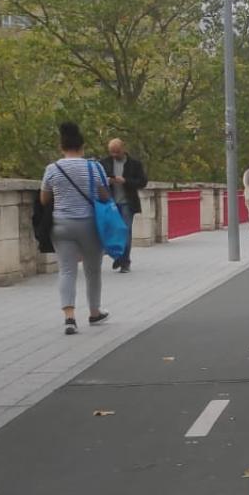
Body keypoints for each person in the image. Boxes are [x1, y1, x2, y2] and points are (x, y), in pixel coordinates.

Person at [41, 121, 111, 335]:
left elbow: (44, 199)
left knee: (67, 270)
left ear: (61, 148)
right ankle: (94, 311)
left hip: (61, 224)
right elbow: (104, 196)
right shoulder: (94, 167)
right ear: (82, 147)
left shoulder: (53, 169)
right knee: (92, 271)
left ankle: (69, 318)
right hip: (89, 224)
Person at [104, 138, 147, 273]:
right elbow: (97, 180)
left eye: (117, 152)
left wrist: (125, 181)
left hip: (127, 203)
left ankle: (124, 262)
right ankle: (118, 256)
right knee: (112, 232)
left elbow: (142, 182)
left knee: (125, 231)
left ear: (123, 148)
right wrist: (108, 181)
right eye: (112, 152)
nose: (114, 155)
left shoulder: (134, 164)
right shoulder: (104, 163)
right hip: (110, 203)